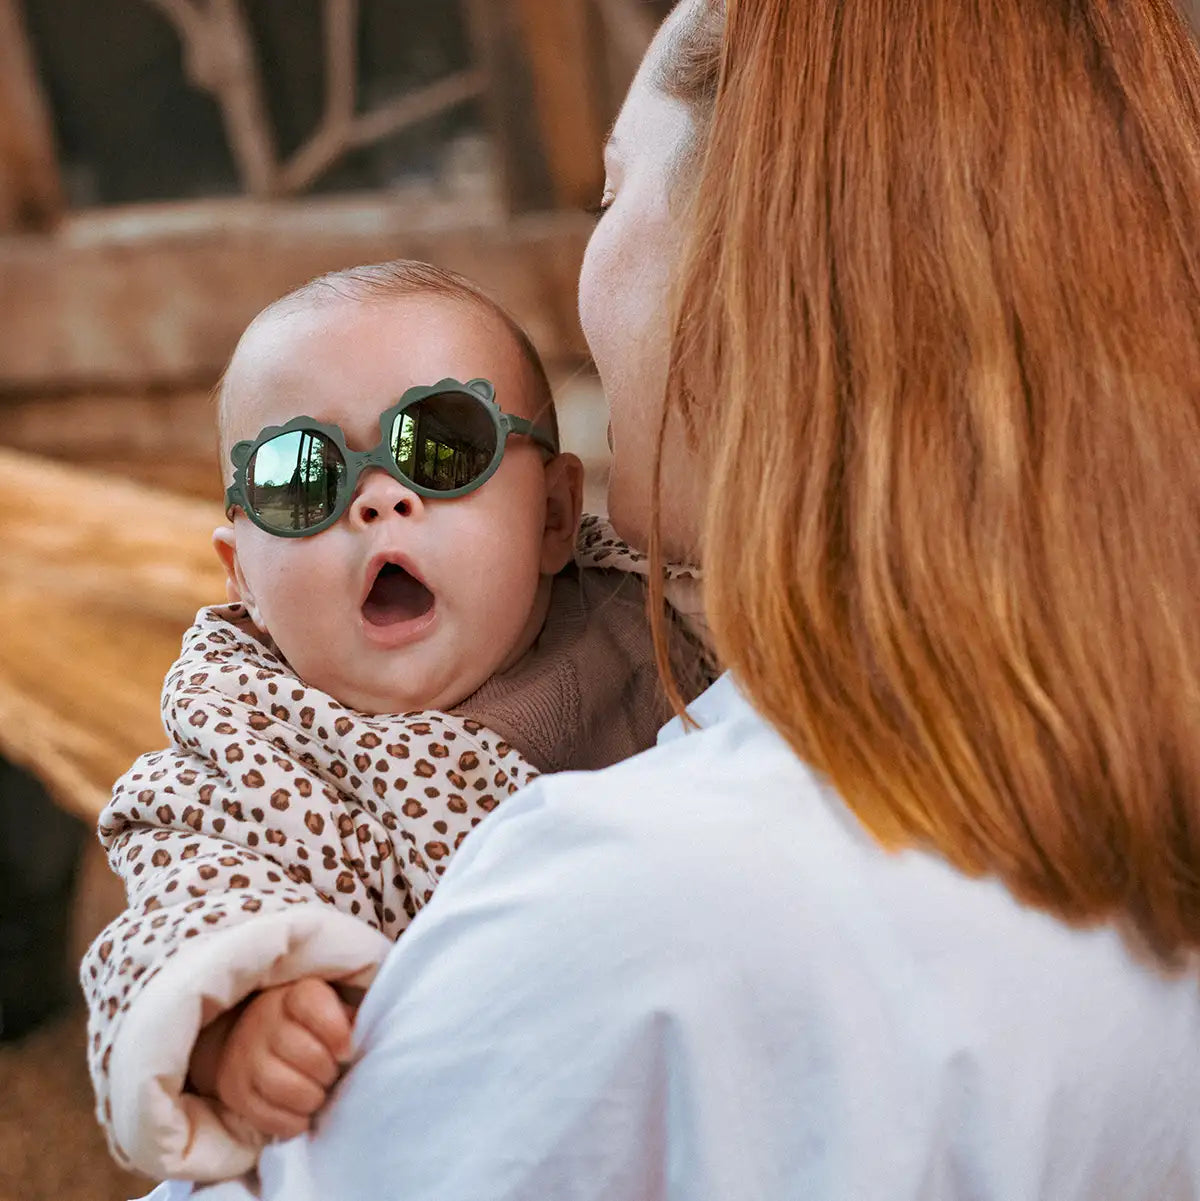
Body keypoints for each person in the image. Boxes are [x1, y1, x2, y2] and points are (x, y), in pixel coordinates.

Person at [143, 0, 1200, 1197]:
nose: (378, 500)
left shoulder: (630, 909)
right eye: (298, 475)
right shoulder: (1135, 752)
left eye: (609, 189)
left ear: (757, 255)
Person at [81, 260, 705, 1182]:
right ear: (241, 574)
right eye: (303, 479)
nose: (380, 501)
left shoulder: (651, 628)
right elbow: (176, 916)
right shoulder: (250, 746)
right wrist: (232, 1026)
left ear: (556, 513)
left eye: (443, 446)